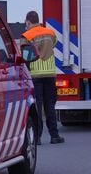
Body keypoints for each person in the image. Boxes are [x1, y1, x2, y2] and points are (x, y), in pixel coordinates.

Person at [21, 10, 65, 144]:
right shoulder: (50, 33)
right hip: (50, 74)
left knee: (37, 106)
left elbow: (25, 55)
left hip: (35, 75)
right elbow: (54, 44)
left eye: (26, 24)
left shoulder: (26, 36)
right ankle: (54, 135)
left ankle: (37, 137)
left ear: (28, 22)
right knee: (50, 105)